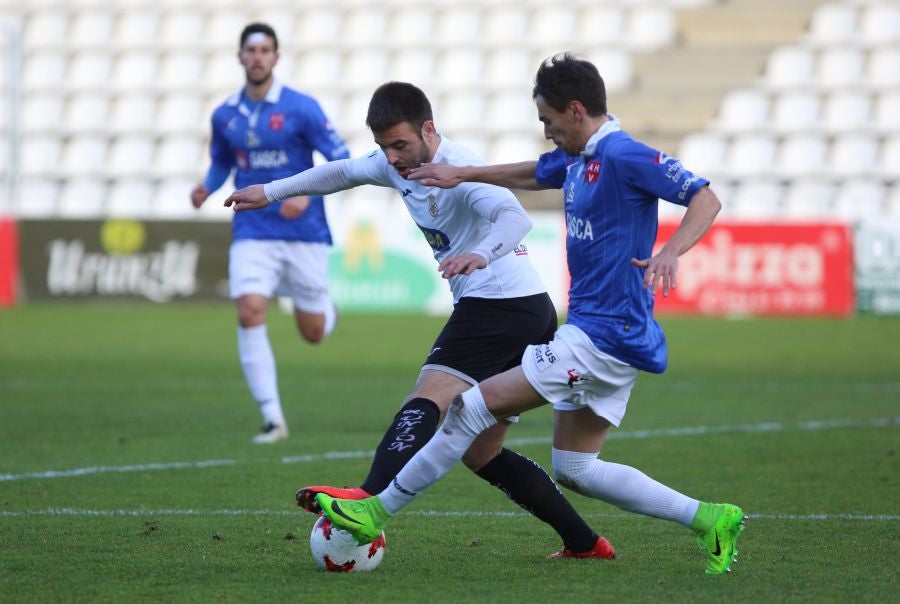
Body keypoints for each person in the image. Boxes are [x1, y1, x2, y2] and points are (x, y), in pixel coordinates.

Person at [316, 54, 746, 575]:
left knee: (466, 410)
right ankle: (710, 518)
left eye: (547, 120)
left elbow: (704, 196)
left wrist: (671, 250)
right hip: (601, 336)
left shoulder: (624, 154)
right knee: (577, 468)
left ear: (576, 110)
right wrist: (464, 173)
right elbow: (529, 173)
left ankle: (373, 510)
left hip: (601, 338)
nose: (545, 131)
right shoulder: (578, 156)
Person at [225, 81, 617, 559]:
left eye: (400, 145)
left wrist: (480, 253)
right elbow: (340, 172)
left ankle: (366, 497)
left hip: (499, 303)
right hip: (525, 309)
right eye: (383, 147)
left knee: (429, 394)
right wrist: (269, 191)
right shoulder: (397, 164)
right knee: (482, 452)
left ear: (429, 129)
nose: (391, 158)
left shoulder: (459, 167)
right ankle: (584, 543)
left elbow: (515, 219)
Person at [190, 23, 350, 443]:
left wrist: (309, 198)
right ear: (240, 57)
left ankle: (325, 309)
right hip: (252, 225)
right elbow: (222, 161)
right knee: (249, 310)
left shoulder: (303, 108)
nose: (258, 57)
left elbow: (342, 159)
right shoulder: (225, 114)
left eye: (265, 50)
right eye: (251, 50)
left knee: (313, 333)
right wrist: (207, 185)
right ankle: (272, 418)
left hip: (304, 229)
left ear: (276, 58)